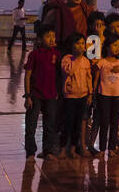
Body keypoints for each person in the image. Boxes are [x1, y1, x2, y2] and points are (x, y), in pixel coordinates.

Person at [23, 26, 61, 159]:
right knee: (31, 125)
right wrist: (27, 95)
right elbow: (28, 75)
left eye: (53, 36)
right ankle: (30, 152)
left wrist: (58, 92)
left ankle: (48, 151)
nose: (51, 39)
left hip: (51, 95)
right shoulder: (34, 55)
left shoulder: (56, 54)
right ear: (39, 39)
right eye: (48, 36)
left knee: (49, 124)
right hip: (35, 95)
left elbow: (58, 74)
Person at [60, 34, 93, 157]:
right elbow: (69, 71)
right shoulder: (67, 59)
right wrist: (77, 58)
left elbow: (89, 78)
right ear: (71, 46)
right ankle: (63, 148)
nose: (81, 46)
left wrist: (90, 94)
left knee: (78, 123)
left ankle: (73, 148)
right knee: (67, 123)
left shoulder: (86, 61)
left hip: (83, 96)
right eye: (78, 43)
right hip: (70, 96)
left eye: (82, 44)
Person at [94, 35, 119, 154]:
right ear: (107, 47)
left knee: (114, 122)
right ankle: (102, 148)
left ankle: (111, 148)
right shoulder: (101, 62)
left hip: (118, 95)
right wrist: (94, 95)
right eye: (114, 45)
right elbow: (96, 80)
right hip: (104, 95)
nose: (117, 48)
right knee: (104, 121)